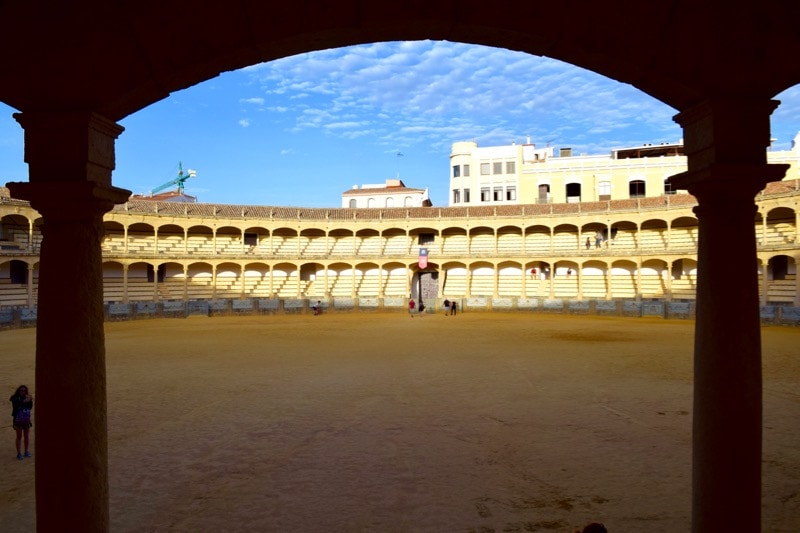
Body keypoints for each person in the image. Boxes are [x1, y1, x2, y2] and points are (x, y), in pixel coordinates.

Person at [10, 385, 33, 460]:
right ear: (18, 391)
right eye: (21, 390)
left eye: (24, 391)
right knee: (19, 437)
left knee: (26, 436)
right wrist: (25, 401)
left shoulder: (28, 398)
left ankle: (26, 451)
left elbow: (30, 407)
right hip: (17, 420)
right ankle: (19, 453)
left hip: (26, 420)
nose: (22, 392)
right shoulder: (15, 397)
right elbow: (16, 404)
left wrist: (29, 400)